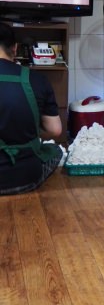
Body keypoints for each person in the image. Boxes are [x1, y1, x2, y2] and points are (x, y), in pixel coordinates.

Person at [0, 22, 63, 195]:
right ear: (15, 48)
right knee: (56, 150)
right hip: (25, 178)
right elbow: (55, 130)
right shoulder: (37, 79)